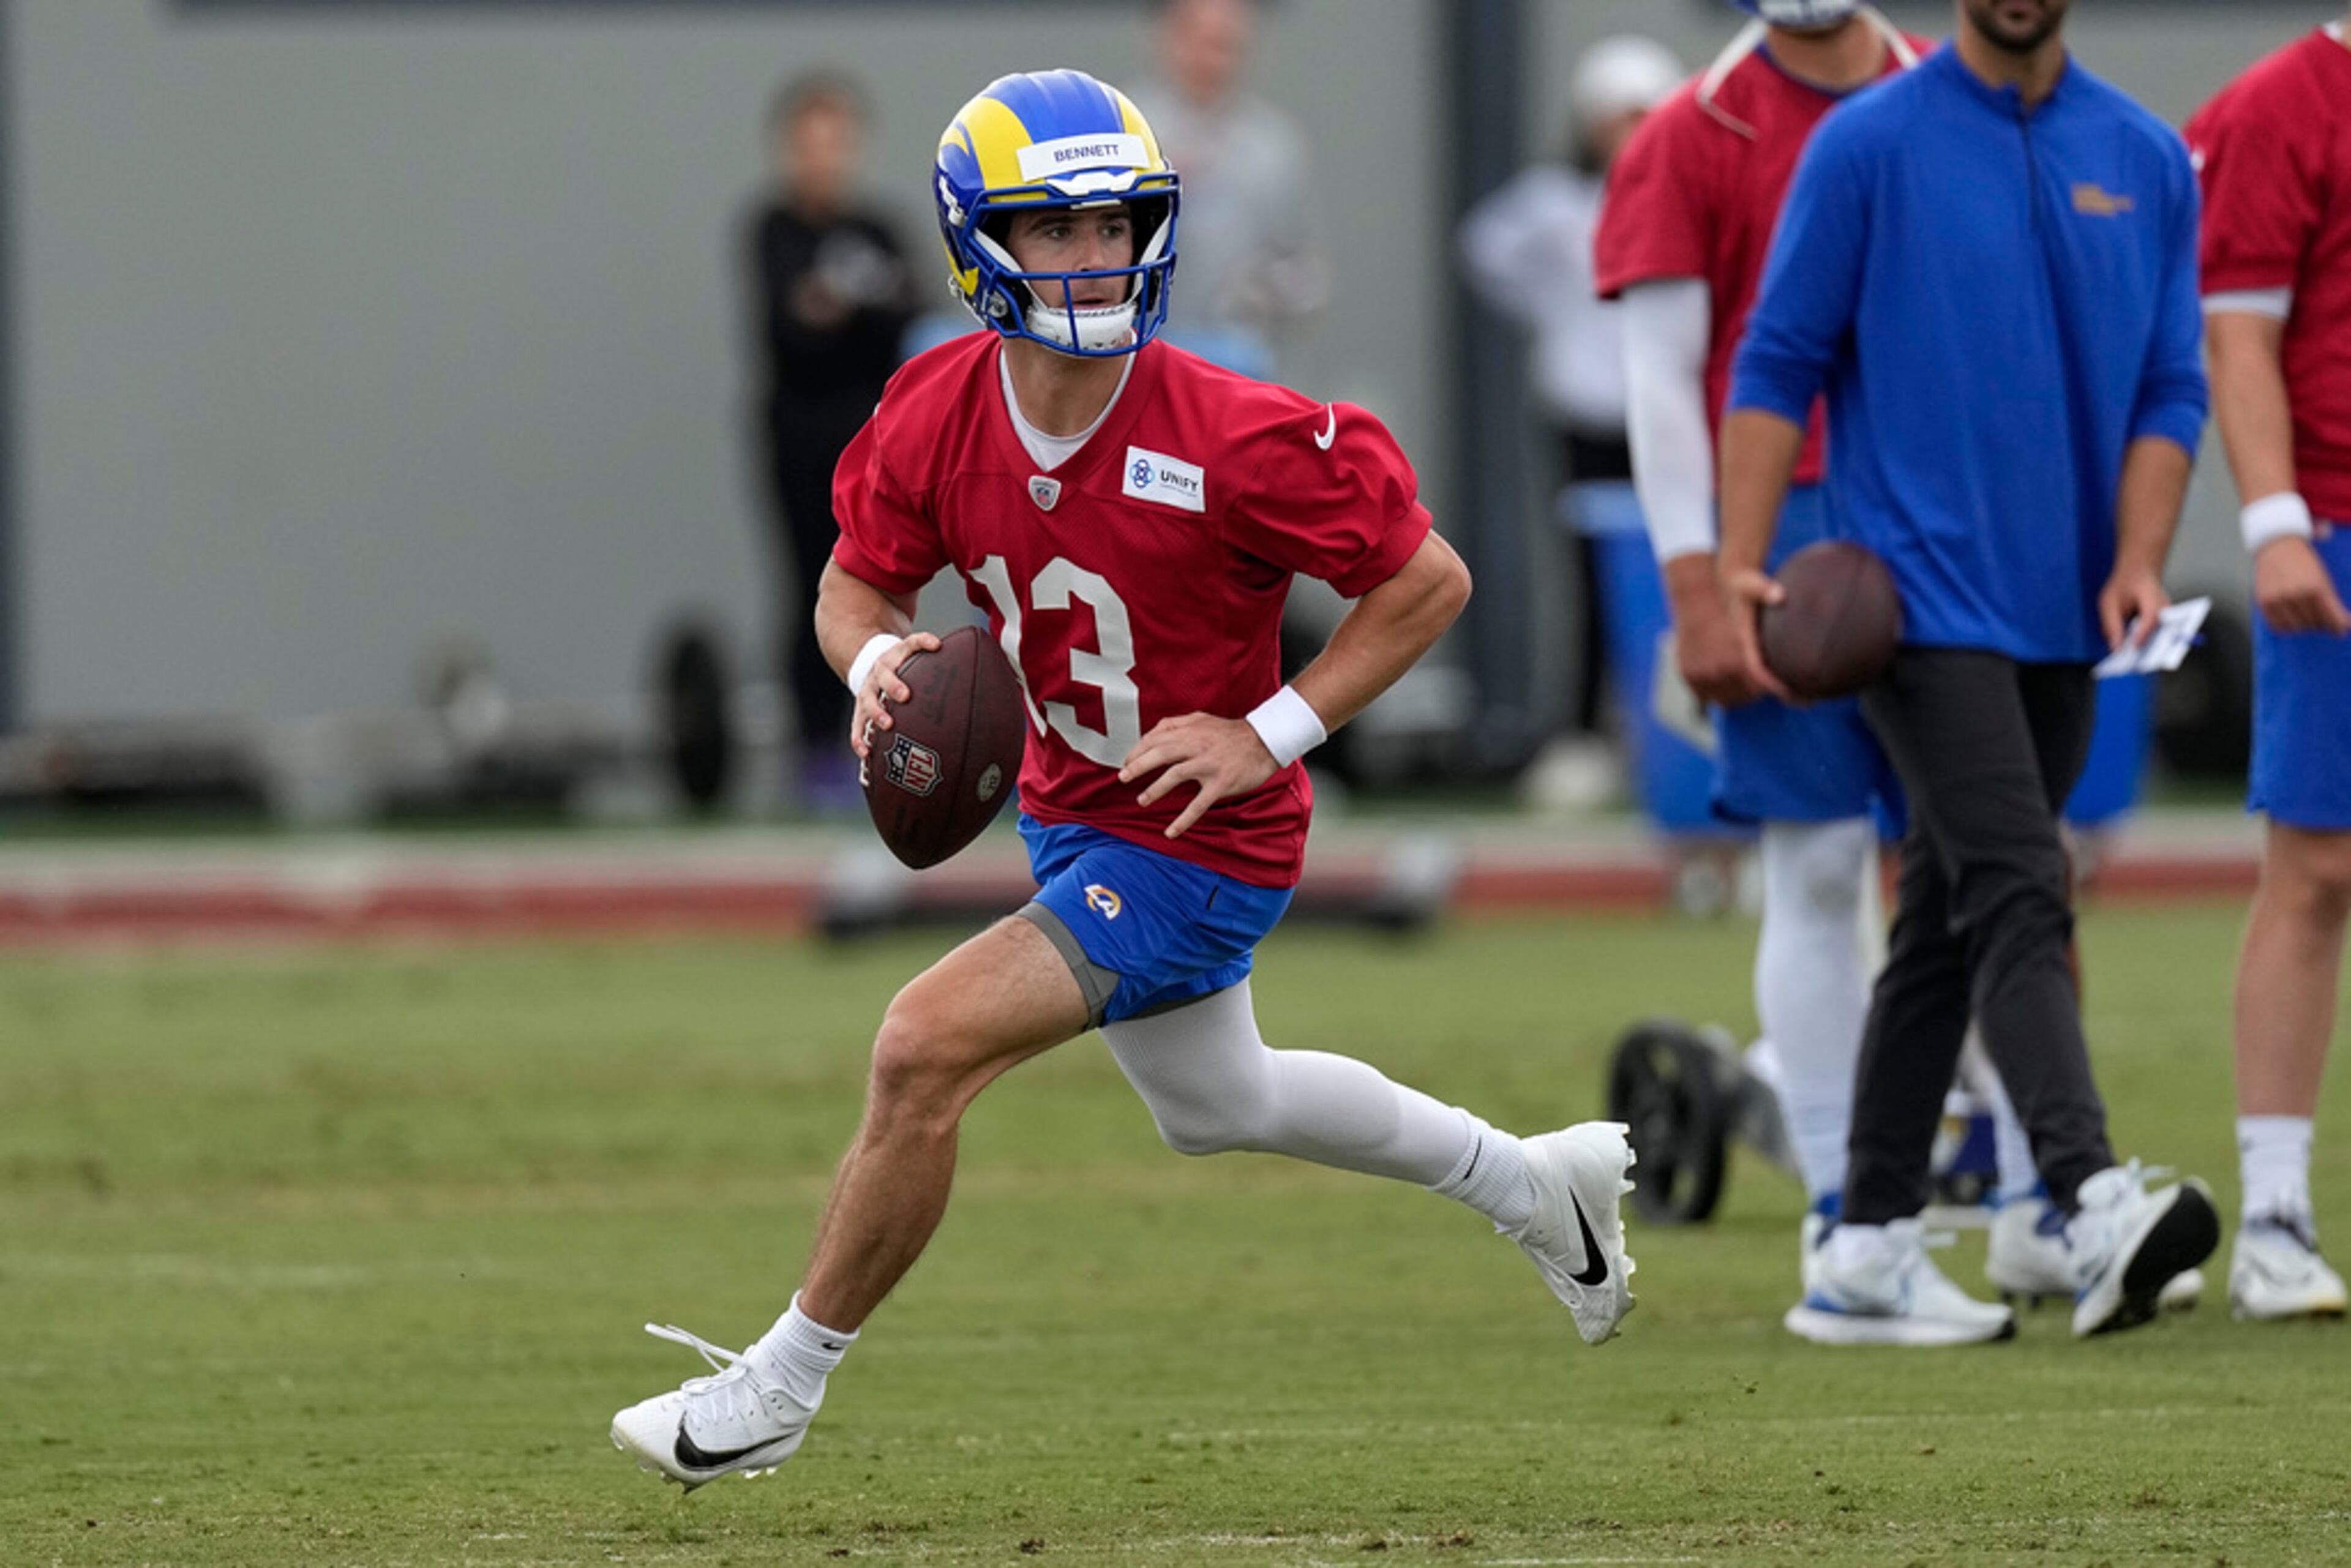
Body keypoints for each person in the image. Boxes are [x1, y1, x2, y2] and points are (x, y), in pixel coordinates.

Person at [612, 70, 1637, 1490]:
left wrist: (1266, 729)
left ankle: (776, 1386)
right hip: (1070, 800)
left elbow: (1427, 581)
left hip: (1203, 830)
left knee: (919, 1044)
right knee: (1220, 1101)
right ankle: (1530, 1180)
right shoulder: (936, 403)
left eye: (1117, 223)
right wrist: (875, 673)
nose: (1096, 255)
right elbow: (852, 583)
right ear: (981, 245)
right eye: (1058, 229)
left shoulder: (1232, 425)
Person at [1717, 0, 2221, 1345]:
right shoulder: (1867, 143)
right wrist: (1738, 566)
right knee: (2017, 880)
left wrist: (2140, 553)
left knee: (1944, 914)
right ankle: (2091, 1192)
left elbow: (2176, 381)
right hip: (1914, 594)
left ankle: (1864, 1246)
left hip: (2067, 609)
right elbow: (1777, 358)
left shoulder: (2148, 156)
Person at [1595, 0, 2066, 1321]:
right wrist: (1696, 582)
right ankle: (1839, 1216)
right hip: (1786, 532)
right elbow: (1662, 380)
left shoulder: (1966, 96)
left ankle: (2048, 1200)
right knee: (1811, 862)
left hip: (1948, 517)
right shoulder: (1691, 132)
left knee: (2001, 858)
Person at [2187, 12, 2351, 1323]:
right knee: (2317, 865)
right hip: (2337, 524)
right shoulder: (2282, 100)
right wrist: (2275, 518)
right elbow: (2238, 333)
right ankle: (2279, 1216)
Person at [1460, 35, 1682, 808]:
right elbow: (1484, 250)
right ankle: (1588, 734)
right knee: (1590, 581)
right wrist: (1551, 319)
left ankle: (1669, 736)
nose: (1628, 134)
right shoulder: (1557, 206)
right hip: (1583, 421)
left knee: (1678, 572)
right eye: (1617, 118)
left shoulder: (1686, 198)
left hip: (1665, 421)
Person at [746, 73, 915, 809]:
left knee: (880, 587)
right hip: (799, 436)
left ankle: (887, 735)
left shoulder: (879, 230)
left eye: (837, 141)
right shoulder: (771, 230)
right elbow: (792, 332)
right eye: (810, 142)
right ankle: (814, 747)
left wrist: (843, 309)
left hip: (873, 436)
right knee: (810, 585)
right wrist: (846, 311)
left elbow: (904, 324)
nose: (825, 157)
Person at [1128, 0, 1327, 378]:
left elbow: (1304, 269)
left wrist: (1269, 294)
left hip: (1238, 360)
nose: (1217, 60)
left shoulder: (1273, 148)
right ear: (1170, 40)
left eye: (1230, 45)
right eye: (1207, 42)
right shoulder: (1126, 130)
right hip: (1139, 356)